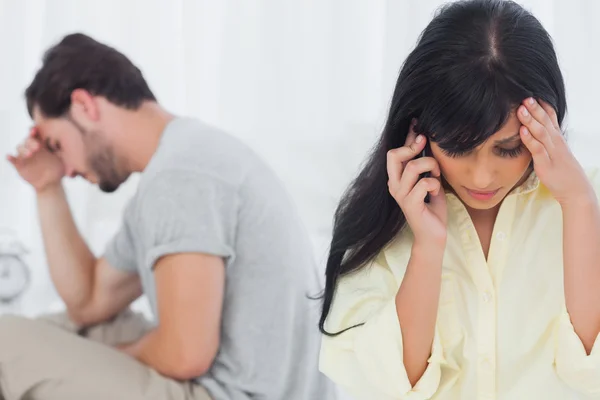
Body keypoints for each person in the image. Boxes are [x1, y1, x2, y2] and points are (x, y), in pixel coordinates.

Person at [2, 33, 334, 400]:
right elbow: (88, 302)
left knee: (5, 343)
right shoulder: (180, 159)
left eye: (56, 145)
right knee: (62, 329)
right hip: (239, 384)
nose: (66, 169)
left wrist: (101, 360)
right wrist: (46, 186)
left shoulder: (181, 175)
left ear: (84, 106)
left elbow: (184, 354)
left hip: (233, 394)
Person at [318, 0, 600, 399]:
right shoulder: (382, 223)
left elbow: (591, 374)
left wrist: (581, 207)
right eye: (458, 148)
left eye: (506, 149)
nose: (482, 176)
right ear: (420, 130)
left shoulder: (587, 202)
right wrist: (428, 248)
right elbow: (388, 386)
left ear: (546, 122)